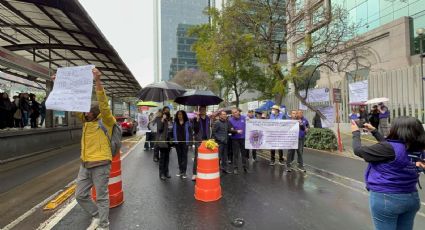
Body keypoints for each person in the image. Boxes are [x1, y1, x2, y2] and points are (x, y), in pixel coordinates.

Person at [54, 68, 115, 230]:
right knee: (80, 195)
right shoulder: (86, 121)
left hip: (101, 163)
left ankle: (104, 225)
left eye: (87, 110)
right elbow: (73, 105)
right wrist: (59, 85)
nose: (84, 112)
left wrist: (97, 81)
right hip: (85, 164)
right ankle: (97, 215)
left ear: (95, 112)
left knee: (101, 197)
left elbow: (103, 102)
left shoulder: (107, 121)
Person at [351, 117, 425, 230]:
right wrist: (374, 131)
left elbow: (358, 150)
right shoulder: (419, 150)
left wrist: (356, 132)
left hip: (386, 198)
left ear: (398, 130)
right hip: (411, 198)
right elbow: (392, 148)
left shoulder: (388, 149)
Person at [192, 106, 211, 180]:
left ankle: (205, 171)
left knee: (206, 157)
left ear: (205, 110)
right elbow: (195, 129)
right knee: (197, 157)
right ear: (199, 110)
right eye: (201, 109)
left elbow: (210, 128)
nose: (203, 111)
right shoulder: (196, 118)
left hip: (207, 140)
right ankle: (194, 173)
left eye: (204, 109)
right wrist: (197, 119)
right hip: (199, 140)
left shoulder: (208, 118)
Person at [173, 110, 191, 179]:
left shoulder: (187, 122)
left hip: (185, 142)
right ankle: (180, 170)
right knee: (179, 157)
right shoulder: (175, 122)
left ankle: (184, 172)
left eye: (181, 114)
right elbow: (173, 132)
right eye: (178, 114)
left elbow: (190, 132)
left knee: (184, 157)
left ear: (183, 115)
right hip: (177, 143)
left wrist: (189, 142)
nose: (179, 116)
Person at [229, 108, 248, 174]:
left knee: (244, 153)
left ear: (238, 112)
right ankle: (235, 168)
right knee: (236, 154)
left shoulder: (244, 118)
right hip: (235, 139)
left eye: (236, 112)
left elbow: (252, 124)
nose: (235, 113)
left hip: (243, 138)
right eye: (233, 113)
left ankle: (244, 167)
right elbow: (230, 130)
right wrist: (236, 131)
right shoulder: (230, 120)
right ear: (232, 114)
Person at [156, 106, 172, 180]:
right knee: (162, 158)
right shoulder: (160, 119)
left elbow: (171, 129)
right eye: (165, 111)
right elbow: (159, 130)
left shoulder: (170, 119)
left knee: (167, 157)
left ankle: (166, 172)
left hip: (168, 141)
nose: (167, 112)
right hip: (162, 141)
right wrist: (162, 120)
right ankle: (161, 174)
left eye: (168, 111)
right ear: (163, 111)